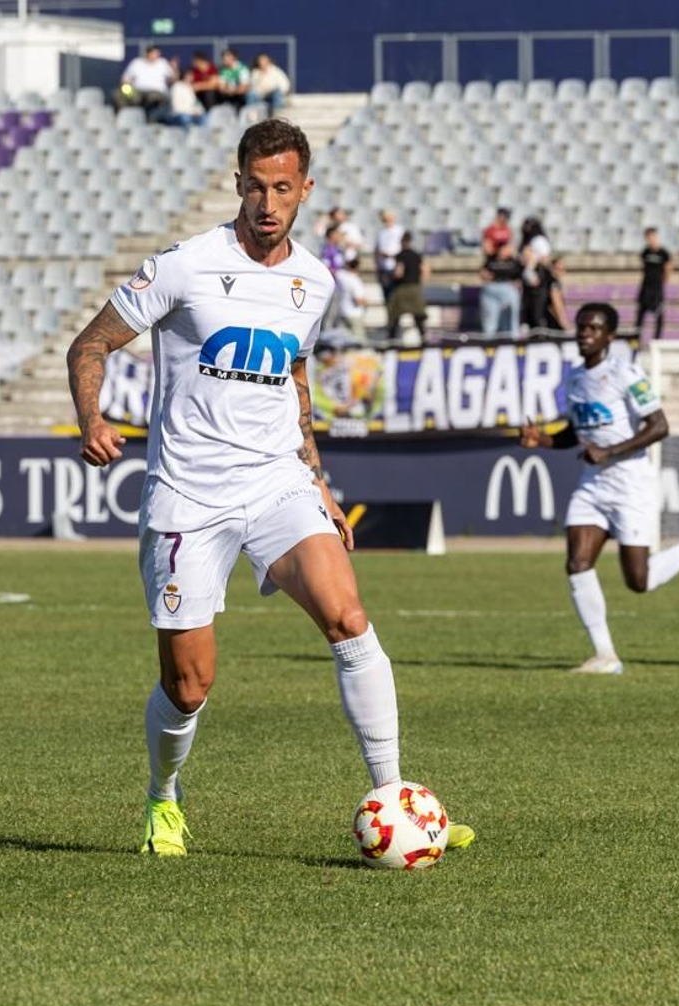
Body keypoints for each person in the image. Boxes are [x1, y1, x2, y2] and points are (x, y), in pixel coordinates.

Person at [64, 118, 474, 857]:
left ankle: (398, 798)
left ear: (305, 190)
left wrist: (318, 480)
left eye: (282, 187)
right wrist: (91, 416)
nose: (267, 201)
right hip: (187, 493)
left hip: (276, 482)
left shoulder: (313, 281)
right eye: (255, 186)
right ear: (238, 184)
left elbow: (294, 377)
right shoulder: (184, 266)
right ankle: (163, 797)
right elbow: (90, 343)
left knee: (349, 617)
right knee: (190, 685)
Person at [516, 303, 679, 674]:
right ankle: (605, 655)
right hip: (594, 481)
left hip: (630, 480)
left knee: (639, 581)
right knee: (577, 562)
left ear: (609, 336)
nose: (585, 333)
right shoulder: (575, 377)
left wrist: (610, 451)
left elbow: (659, 425)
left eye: (594, 328)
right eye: (582, 326)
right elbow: (576, 431)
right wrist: (545, 441)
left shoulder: (626, 372)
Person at [386, 230, 429, 341]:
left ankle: (392, 340)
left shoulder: (400, 255)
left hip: (403, 289)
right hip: (415, 288)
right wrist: (420, 282)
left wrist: (390, 278)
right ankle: (424, 339)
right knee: (418, 316)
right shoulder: (416, 255)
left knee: (395, 315)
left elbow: (399, 272)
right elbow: (425, 270)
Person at [115, 45, 173, 120]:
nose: (157, 56)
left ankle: (148, 118)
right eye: (154, 53)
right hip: (138, 91)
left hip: (157, 92)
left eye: (158, 54)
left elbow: (171, 78)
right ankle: (123, 117)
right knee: (120, 93)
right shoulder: (137, 63)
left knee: (152, 98)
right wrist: (127, 86)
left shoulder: (163, 63)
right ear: (148, 53)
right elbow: (125, 79)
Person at [478, 239, 522, 336]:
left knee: (510, 320)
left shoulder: (513, 262)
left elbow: (519, 276)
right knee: (490, 321)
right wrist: (485, 275)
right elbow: (483, 273)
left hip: (508, 289)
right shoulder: (491, 259)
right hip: (491, 289)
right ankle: (489, 345)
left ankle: (512, 343)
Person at [635, 227, 672, 341]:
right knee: (640, 314)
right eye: (648, 237)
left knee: (659, 314)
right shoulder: (645, 252)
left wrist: (662, 281)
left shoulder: (663, 253)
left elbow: (668, 268)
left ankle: (657, 339)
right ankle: (636, 338)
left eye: (652, 236)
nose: (650, 239)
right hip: (646, 287)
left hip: (657, 288)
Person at [373, 208, 404, 304]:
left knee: (396, 296)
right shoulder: (381, 232)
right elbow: (377, 250)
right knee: (387, 296)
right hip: (384, 268)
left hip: (395, 267)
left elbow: (402, 250)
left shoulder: (399, 230)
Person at [531, 254, 568, 332]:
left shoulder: (547, 281)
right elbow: (556, 304)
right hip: (553, 324)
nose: (563, 270)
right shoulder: (554, 283)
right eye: (560, 268)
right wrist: (563, 323)